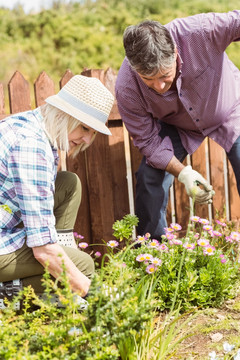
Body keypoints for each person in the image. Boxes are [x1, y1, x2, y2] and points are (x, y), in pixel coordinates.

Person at [115, 11, 240, 240]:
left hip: (231, 109)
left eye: (165, 75)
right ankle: (154, 256)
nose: (160, 86)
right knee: (149, 177)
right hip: (178, 124)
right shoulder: (126, 87)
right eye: (148, 80)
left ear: (175, 52)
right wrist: (183, 173)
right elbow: (148, 142)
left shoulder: (201, 31)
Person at [0, 74, 114, 308]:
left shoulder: (28, 123)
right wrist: (90, 292)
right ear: (63, 113)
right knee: (83, 266)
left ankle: (54, 278)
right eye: (84, 127)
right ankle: (10, 297)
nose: (86, 139)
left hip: (6, 225)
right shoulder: (31, 148)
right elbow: (43, 251)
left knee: (68, 184)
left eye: (93, 132)